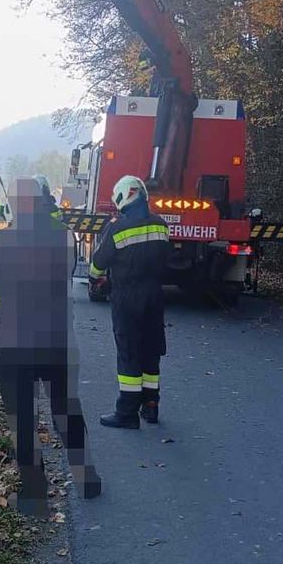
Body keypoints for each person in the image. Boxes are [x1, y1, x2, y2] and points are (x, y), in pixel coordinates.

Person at [0, 176, 101, 515]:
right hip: (58, 341)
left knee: (23, 420)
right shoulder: (65, 238)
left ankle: (35, 496)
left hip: (17, 345)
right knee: (66, 410)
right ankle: (86, 479)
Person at [89, 175, 170, 428]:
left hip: (128, 298)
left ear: (124, 197)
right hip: (155, 296)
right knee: (151, 351)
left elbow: (98, 265)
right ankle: (151, 405)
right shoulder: (161, 225)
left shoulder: (118, 228)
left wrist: (96, 280)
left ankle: (126, 413)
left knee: (129, 352)